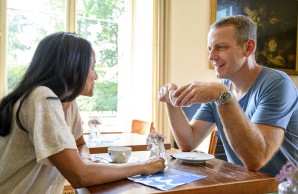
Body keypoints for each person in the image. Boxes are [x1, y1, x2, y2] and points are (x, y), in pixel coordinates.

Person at [0, 32, 165, 193]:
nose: (96, 76)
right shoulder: (43, 97)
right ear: (74, 68)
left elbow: (80, 144)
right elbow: (79, 176)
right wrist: (144, 166)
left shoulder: (68, 102)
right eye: (92, 67)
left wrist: (84, 162)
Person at [158, 15, 297, 175]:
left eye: (221, 47)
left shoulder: (277, 83)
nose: (211, 57)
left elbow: (256, 160)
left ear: (248, 48)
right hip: (242, 184)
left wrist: (222, 95)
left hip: (282, 187)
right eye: (210, 48)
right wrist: (171, 101)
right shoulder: (221, 88)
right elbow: (188, 142)